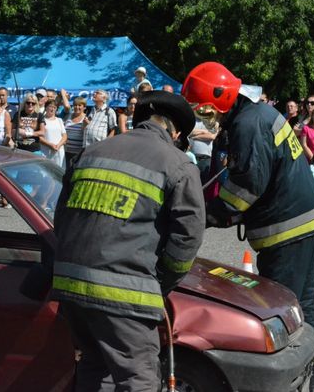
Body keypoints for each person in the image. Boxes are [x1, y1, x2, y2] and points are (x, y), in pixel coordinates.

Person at [51, 90, 205, 390]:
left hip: (71, 287)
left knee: (94, 367)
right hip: (124, 295)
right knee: (139, 378)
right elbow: (187, 237)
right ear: (175, 133)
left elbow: (62, 220)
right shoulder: (178, 164)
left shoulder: (92, 152)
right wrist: (161, 283)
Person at [181, 62, 314, 332]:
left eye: (205, 110)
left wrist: (208, 214)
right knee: (302, 304)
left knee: (280, 308)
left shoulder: (248, 125)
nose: (205, 117)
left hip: (286, 228)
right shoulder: (258, 114)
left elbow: (247, 187)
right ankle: (308, 368)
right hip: (304, 219)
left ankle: (287, 369)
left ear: (220, 100)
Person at [40, 99, 67, 168]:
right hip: (46, 152)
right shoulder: (41, 120)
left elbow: (64, 136)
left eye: (54, 107)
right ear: (46, 107)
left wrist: (58, 145)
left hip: (59, 151)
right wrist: (50, 145)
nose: (52, 109)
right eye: (50, 106)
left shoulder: (59, 120)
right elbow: (40, 137)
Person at [63, 97, 88, 168]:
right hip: (66, 151)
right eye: (75, 105)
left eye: (80, 105)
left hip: (78, 153)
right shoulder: (68, 116)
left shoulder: (86, 118)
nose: (77, 107)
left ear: (84, 107)